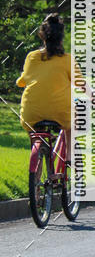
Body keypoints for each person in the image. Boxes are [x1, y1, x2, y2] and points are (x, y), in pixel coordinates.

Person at [16, 14, 76, 160]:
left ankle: (36, 165)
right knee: (72, 123)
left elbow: (23, 81)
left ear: (43, 36)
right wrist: (93, 96)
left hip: (32, 111)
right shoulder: (67, 59)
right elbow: (79, 82)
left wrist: (20, 81)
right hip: (59, 112)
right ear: (61, 38)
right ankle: (69, 156)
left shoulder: (32, 56)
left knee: (34, 130)